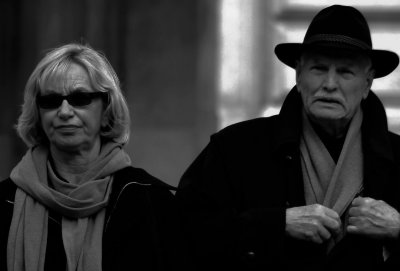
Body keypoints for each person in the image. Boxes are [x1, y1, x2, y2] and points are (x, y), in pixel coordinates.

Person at [176, 5, 400, 271]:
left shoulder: (399, 158)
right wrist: (275, 225)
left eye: (345, 71)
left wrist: (398, 228)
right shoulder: (236, 148)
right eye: (318, 68)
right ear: (298, 74)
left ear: (367, 83)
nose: (329, 83)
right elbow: (182, 230)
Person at [0, 43, 186, 271]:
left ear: (106, 110)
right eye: (50, 101)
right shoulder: (4, 201)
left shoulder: (149, 199)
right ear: (38, 114)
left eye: (80, 98)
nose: (65, 112)